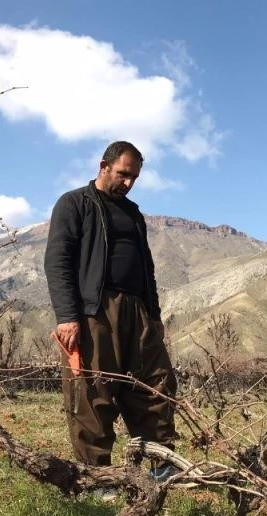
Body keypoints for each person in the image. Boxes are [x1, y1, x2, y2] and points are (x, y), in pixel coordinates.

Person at [44, 140, 178, 481]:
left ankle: (162, 465)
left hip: (137, 311)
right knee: (93, 391)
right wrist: (67, 316)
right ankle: (97, 476)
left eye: (134, 177)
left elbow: (147, 268)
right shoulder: (74, 204)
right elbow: (57, 262)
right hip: (93, 312)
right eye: (123, 174)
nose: (129, 183)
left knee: (155, 386)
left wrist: (155, 316)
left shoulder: (133, 214)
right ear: (103, 166)